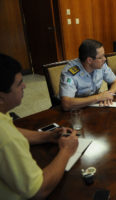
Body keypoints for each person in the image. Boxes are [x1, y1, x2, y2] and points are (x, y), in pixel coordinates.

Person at [0, 54, 78, 199]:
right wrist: (66, 151)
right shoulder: (6, 139)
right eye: (19, 84)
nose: (25, 86)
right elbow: (39, 190)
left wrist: (46, 136)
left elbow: (13, 130)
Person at [59, 39, 116, 111]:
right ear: (89, 60)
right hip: (76, 112)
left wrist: (108, 94)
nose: (104, 59)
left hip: (93, 107)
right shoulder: (70, 73)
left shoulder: (101, 64)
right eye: (100, 57)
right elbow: (66, 104)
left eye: (104, 55)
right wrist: (98, 97)